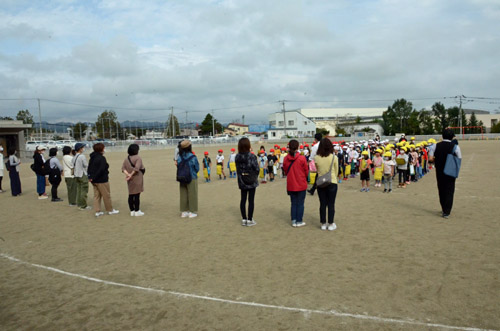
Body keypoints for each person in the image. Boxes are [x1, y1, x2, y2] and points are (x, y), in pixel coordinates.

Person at [429, 129, 462, 219]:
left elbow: (430, 159)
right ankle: (447, 211)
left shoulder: (435, 146)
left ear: (442, 136)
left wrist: (438, 159)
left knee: (441, 189)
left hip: (439, 171)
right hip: (450, 171)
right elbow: (459, 158)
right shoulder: (455, 147)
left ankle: (443, 208)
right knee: (450, 190)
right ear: (452, 137)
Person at [283, 139, 309, 228]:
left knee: (293, 203)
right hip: (301, 183)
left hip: (291, 184)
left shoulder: (286, 158)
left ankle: (294, 220)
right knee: (300, 203)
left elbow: (285, 170)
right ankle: (299, 220)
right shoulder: (302, 158)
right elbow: (306, 171)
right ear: (297, 147)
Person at [88, 143, 119, 217]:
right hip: (101, 180)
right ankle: (110, 210)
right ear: (101, 149)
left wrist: (90, 177)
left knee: (96, 195)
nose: (104, 149)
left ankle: (97, 211)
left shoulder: (92, 157)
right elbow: (101, 169)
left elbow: (89, 168)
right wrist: (94, 177)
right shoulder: (101, 158)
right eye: (103, 148)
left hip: (94, 180)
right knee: (106, 195)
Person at [314, 138, 339, 231]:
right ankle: (331, 223)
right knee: (331, 204)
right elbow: (336, 171)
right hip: (332, 181)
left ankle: (323, 223)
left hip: (321, 182)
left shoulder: (316, 157)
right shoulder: (334, 157)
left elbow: (317, 170)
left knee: (322, 204)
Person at [235, 137, 259, 227]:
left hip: (241, 179)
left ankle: (244, 218)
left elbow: (237, 169)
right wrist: (253, 175)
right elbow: (256, 168)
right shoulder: (251, 156)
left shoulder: (237, 156)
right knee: (251, 200)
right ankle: (250, 219)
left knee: (243, 199)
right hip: (251, 180)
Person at [177, 140, 200, 218]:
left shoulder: (179, 156)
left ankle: (184, 211)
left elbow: (178, 166)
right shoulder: (193, 157)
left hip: (181, 177)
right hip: (192, 177)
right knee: (192, 194)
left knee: (183, 194)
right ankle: (192, 211)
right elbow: (197, 168)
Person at [122, 144, 145, 217]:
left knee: (131, 194)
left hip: (130, 179)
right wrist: (130, 175)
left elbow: (123, 168)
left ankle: (132, 210)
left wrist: (128, 175)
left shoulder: (126, 158)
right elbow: (136, 169)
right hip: (137, 178)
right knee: (137, 195)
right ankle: (137, 210)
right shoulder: (138, 158)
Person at [73, 142, 90, 210]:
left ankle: (79, 204)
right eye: (82, 147)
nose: (83, 149)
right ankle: (83, 205)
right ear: (80, 149)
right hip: (82, 174)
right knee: (84, 190)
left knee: (79, 190)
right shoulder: (82, 156)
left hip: (76, 174)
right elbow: (86, 165)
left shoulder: (74, 157)